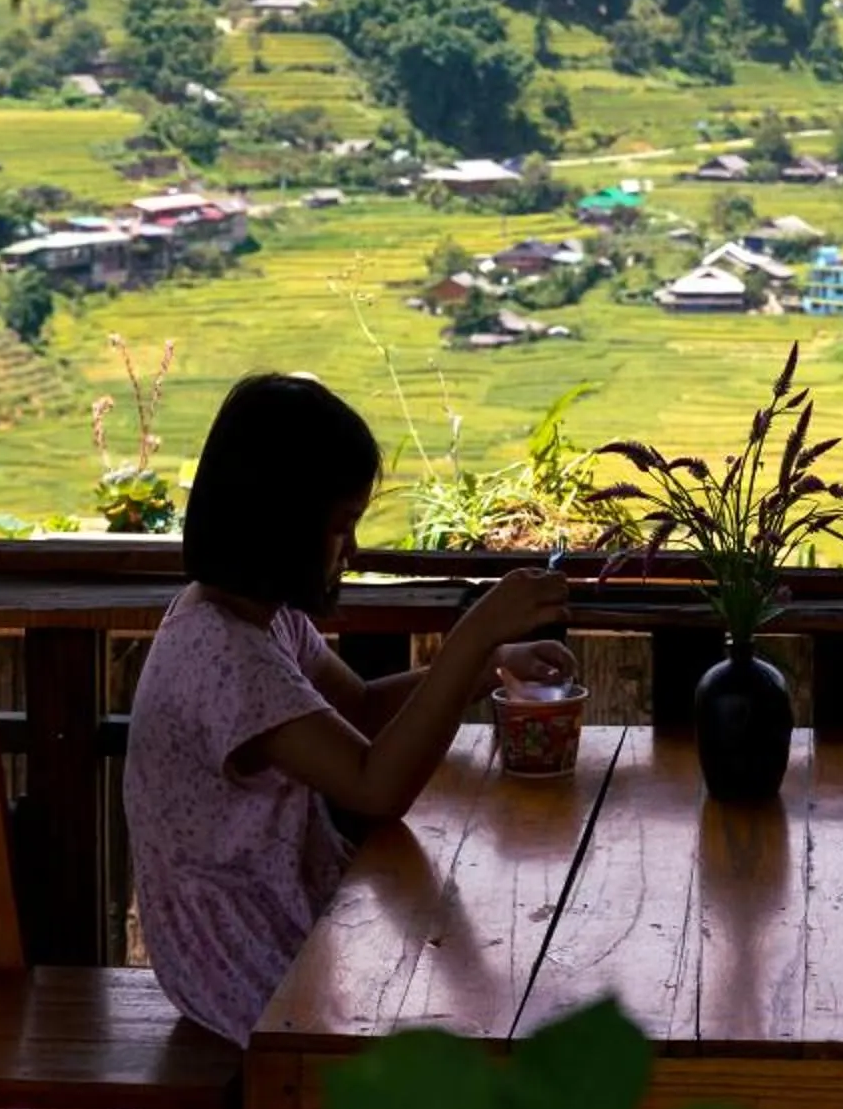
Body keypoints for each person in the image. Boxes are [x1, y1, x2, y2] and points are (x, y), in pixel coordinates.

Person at [123, 373, 573, 1045]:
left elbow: (359, 709)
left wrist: (484, 667)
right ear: (280, 526)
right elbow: (374, 787)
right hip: (244, 961)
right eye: (341, 527)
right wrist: (475, 634)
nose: (352, 550)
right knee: (485, 1021)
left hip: (276, 920)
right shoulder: (224, 657)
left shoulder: (256, 619)